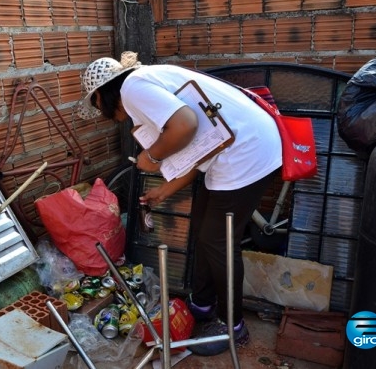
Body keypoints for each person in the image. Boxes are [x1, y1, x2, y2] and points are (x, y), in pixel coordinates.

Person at [78, 52, 282, 356]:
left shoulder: (132, 88)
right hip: (232, 152)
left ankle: (233, 327)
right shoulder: (145, 85)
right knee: (202, 229)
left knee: (219, 241)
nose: (99, 112)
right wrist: (165, 191)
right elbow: (196, 149)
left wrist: (153, 157)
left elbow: (184, 125)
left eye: (95, 104)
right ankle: (201, 305)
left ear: (102, 95)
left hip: (246, 153)